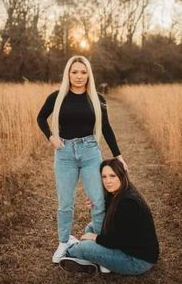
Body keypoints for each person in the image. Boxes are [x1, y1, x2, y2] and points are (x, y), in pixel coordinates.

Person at [37, 55, 127, 263]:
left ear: (89, 75)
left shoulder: (98, 99)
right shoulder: (56, 97)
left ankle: (100, 247)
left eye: (83, 72)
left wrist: (118, 156)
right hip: (65, 154)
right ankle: (64, 242)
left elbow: (106, 129)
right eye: (75, 72)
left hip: (90, 153)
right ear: (68, 74)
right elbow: (40, 118)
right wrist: (51, 137)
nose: (79, 76)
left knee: (98, 201)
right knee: (65, 203)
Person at [59, 158, 159, 275]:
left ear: (122, 176)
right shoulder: (120, 192)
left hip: (137, 260)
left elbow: (119, 240)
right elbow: (112, 214)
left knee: (84, 247)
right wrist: (96, 203)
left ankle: (71, 249)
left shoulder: (128, 203)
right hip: (126, 248)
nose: (108, 181)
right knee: (90, 228)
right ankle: (98, 261)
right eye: (104, 177)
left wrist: (95, 237)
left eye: (112, 176)